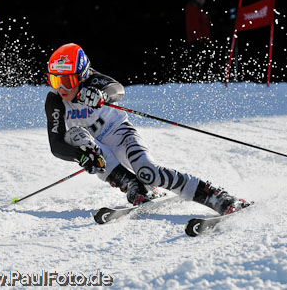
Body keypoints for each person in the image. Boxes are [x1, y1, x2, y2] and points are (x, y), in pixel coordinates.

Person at [45, 43, 249, 215]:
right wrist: (80, 157)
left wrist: (101, 96)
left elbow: (117, 90)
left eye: (67, 81)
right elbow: (56, 145)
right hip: (97, 148)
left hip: (120, 135)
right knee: (75, 137)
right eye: (55, 81)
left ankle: (217, 197)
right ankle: (133, 185)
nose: (61, 89)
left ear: (82, 76)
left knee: (149, 172)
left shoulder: (94, 81)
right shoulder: (55, 101)